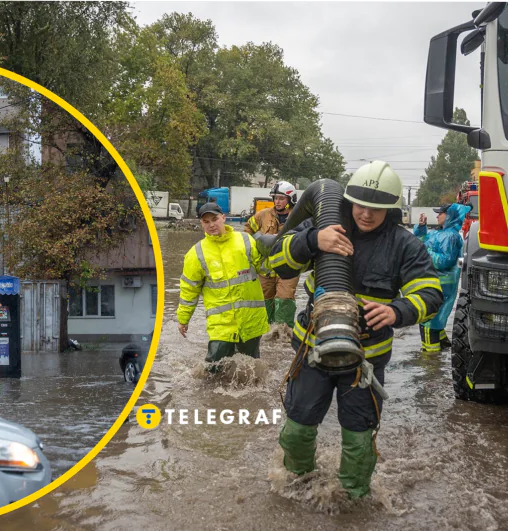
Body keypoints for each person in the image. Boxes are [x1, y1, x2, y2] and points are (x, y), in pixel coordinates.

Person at [268, 162, 443, 499]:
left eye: (376, 208)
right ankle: (298, 484)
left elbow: (431, 293)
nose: (366, 214)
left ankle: (352, 499)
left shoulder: (404, 245)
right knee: (297, 430)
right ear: (347, 200)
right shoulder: (324, 225)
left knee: (358, 439)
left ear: (391, 209)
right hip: (312, 352)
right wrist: (313, 239)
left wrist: (398, 310)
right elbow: (275, 259)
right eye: (360, 205)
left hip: (365, 362)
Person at [177, 203, 270, 364]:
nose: (211, 225)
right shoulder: (196, 254)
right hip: (221, 326)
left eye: (215, 219)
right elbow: (189, 291)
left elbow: (266, 268)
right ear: (201, 224)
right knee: (213, 370)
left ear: (223, 218)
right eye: (206, 222)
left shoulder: (245, 240)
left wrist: (280, 253)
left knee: (250, 369)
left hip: (251, 321)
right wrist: (183, 319)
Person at [414, 202, 470, 352]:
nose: (437, 216)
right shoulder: (442, 233)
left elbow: (445, 261)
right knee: (436, 320)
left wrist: (425, 252)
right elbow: (421, 240)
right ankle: (442, 353)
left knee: (427, 322)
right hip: (436, 282)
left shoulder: (450, 236)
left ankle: (430, 365)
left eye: (441, 213)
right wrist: (421, 227)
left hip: (439, 284)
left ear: (450, 215)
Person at [244, 180, 300, 326]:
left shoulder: (298, 218)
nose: (277, 201)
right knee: (264, 304)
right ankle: (265, 335)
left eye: (281, 198)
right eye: (275, 198)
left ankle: (283, 336)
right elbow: (247, 231)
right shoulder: (262, 215)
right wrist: (258, 243)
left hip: (288, 270)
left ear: (291, 199)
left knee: (285, 300)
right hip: (265, 271)